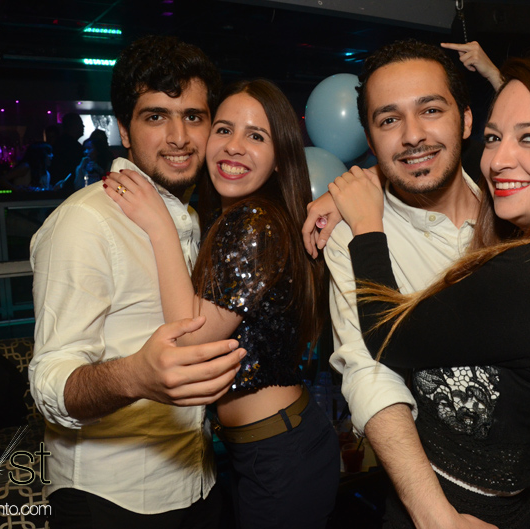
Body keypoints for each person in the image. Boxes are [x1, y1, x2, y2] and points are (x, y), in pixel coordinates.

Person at [304, 39, 530, 529]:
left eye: (431, 110)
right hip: (438, 502)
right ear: (370, 136)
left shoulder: (521, 213)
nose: (412, 135)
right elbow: (371, 374)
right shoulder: (350, 230)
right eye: (389, 120)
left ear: (466, 120)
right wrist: (437, 518)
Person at [103, 79, 339, 529]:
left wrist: (158, 224)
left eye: (256, 136)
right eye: (224, 129)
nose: (234, 146)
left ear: (279, 158)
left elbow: (191, 338)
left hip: (281, 452)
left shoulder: (255, 220)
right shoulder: (247, 216)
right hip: (268, 446)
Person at [29, 35, 244, 529]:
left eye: (193, 117)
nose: (179, 137)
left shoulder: (188, 217)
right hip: (111, 499)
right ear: (125, 131)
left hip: (198, 481)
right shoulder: (86, 222)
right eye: (156, 117)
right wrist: (134, 377)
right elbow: (50, 381)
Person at [50, 112, 85, 185]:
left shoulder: (58, 143)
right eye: (81, 124)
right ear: (74, 126)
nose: (83, 126)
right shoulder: (75, 147)